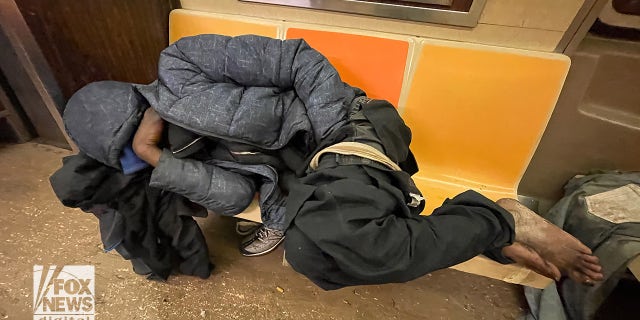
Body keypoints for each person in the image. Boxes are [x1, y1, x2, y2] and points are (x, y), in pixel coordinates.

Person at [133, 106, 604, 288]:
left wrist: (154, 134)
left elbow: (299, 77)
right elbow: (231, 189)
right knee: (309, 257)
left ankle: (499, 220)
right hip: (315, 178)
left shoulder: (205, 89)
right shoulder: (181, 139)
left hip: (346, 138)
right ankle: (482, 234)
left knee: (372, 248)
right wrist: (151, 151)